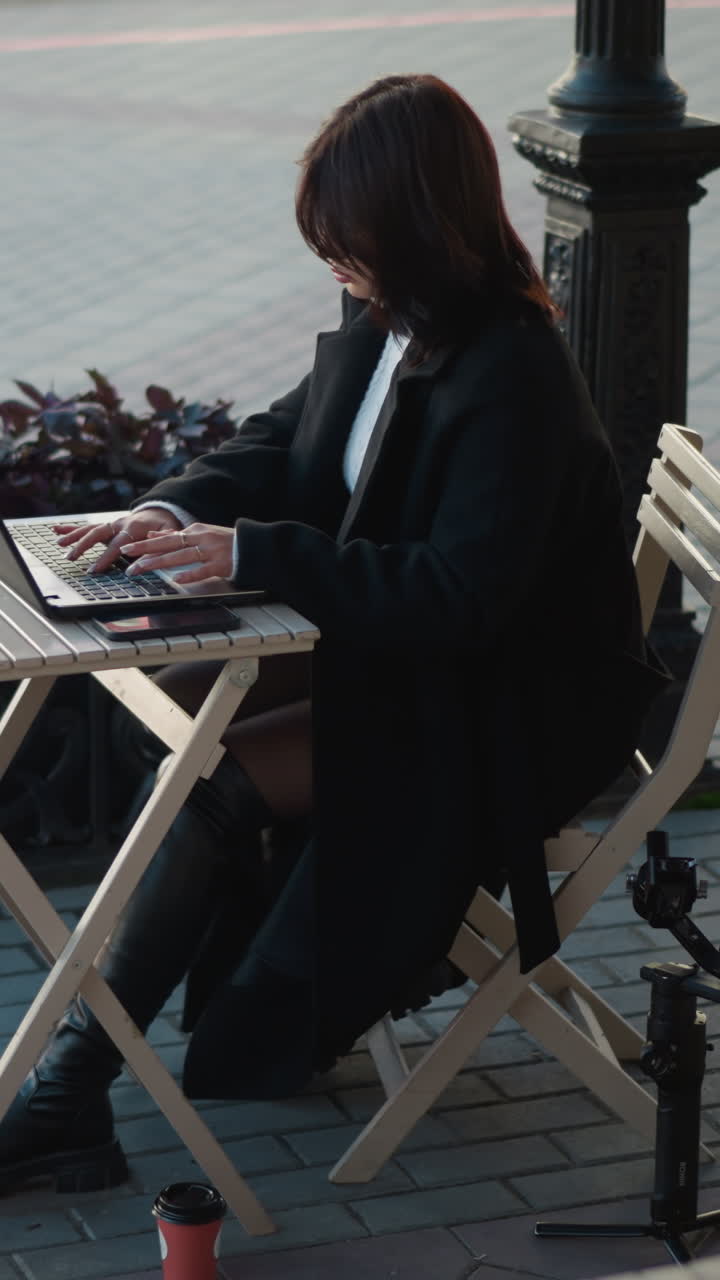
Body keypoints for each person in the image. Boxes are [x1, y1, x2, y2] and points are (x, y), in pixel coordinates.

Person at [0, 73, 668, 1195]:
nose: (336, 267)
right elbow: (283, 443)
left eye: (350, 244)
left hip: (512, 710)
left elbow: (461, 595)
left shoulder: (513, 372)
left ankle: (69, 1094)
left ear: (417, 230)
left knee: (209, 778)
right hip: (428, 665)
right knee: (186, 706)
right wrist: (171, 509)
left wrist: (258, 555)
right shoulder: (392, 324)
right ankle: (79, 1078)